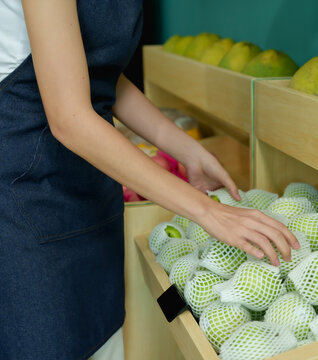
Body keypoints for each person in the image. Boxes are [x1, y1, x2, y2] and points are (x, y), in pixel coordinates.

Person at [0, 1, 298, 359]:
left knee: (104, 334)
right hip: (27, 193)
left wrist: (185, 149)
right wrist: (208, 211)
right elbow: (71, 118)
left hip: (89, 186)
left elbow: (97, 73)